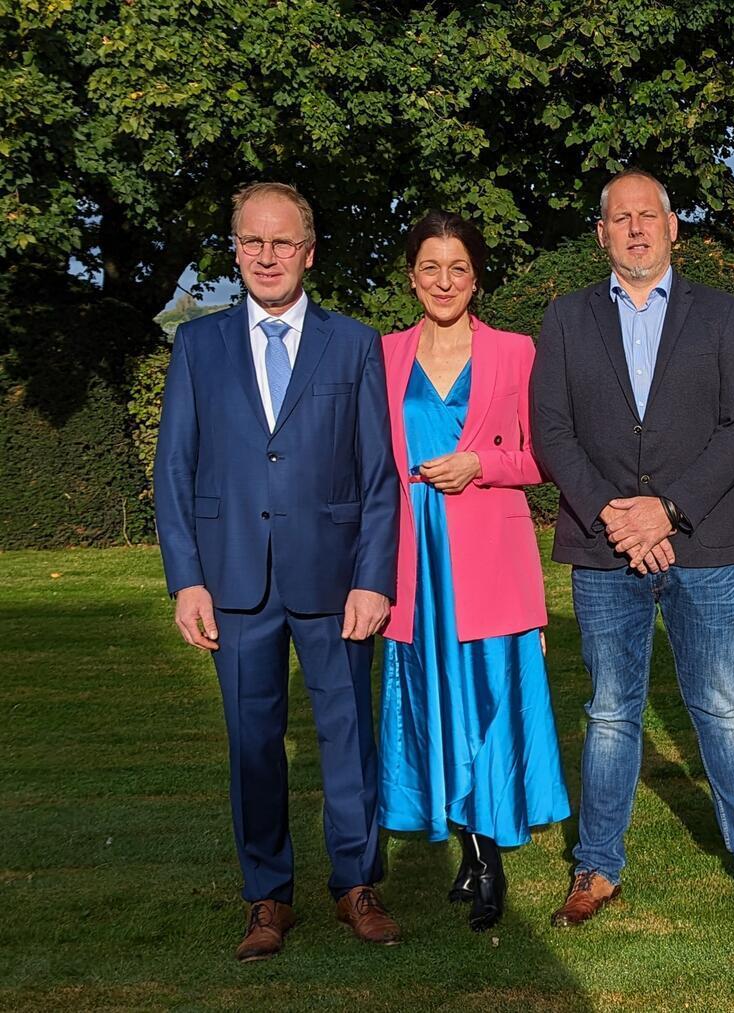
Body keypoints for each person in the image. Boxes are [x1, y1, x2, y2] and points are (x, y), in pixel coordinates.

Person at [530, 168, 734, 927]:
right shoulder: (568, 319)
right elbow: (553, 430)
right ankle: (597, 867)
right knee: (611, 711)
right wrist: (617, 516)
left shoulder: (721, 314)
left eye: (649, 215)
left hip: (700, 543)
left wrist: (667, 511)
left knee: (721, 703)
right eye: (621, 217)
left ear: (674, 227)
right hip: (603, 543)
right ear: (602, 233)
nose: (637, 228)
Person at [154, 182, 402, 961]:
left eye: (282, 242)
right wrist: (186, 579)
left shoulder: (353, 343)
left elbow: (378, 476)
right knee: (251, 740)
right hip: (233, 584)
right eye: (252, 242)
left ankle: (357, 884)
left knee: (348, 738)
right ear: (235, 251)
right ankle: (267, 896)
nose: (267, 256)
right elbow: (175, 471)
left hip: (334, 583)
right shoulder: (198, 346)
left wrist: (373, 577)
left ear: (309, 252)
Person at [377, 210, 570, 932]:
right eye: (431, 267)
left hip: (489, 557)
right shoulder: (386, 354)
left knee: (488, 703)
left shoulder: (516, 353)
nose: (445, 281)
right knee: (435, 706)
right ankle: (465, 845)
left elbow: (544, 457)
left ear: (477, 276)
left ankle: (491, 859)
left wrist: (479, 465)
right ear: (411, 275)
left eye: (458, 268)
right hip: (413, 562)